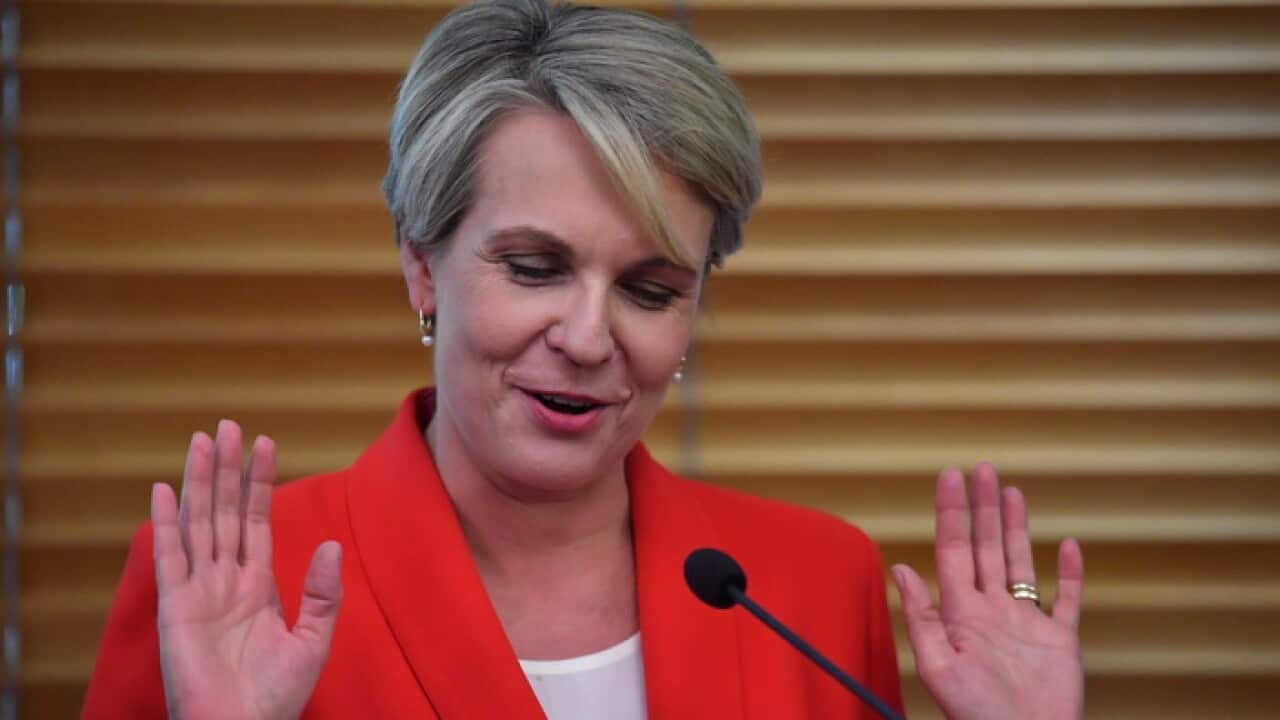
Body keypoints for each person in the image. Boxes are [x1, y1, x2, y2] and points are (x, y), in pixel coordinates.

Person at [81, 1, 1085, 718]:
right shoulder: (235, 582)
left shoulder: (810, 584)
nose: (588, 336)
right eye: (532, 268)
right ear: (421, 267)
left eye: (650, 291)